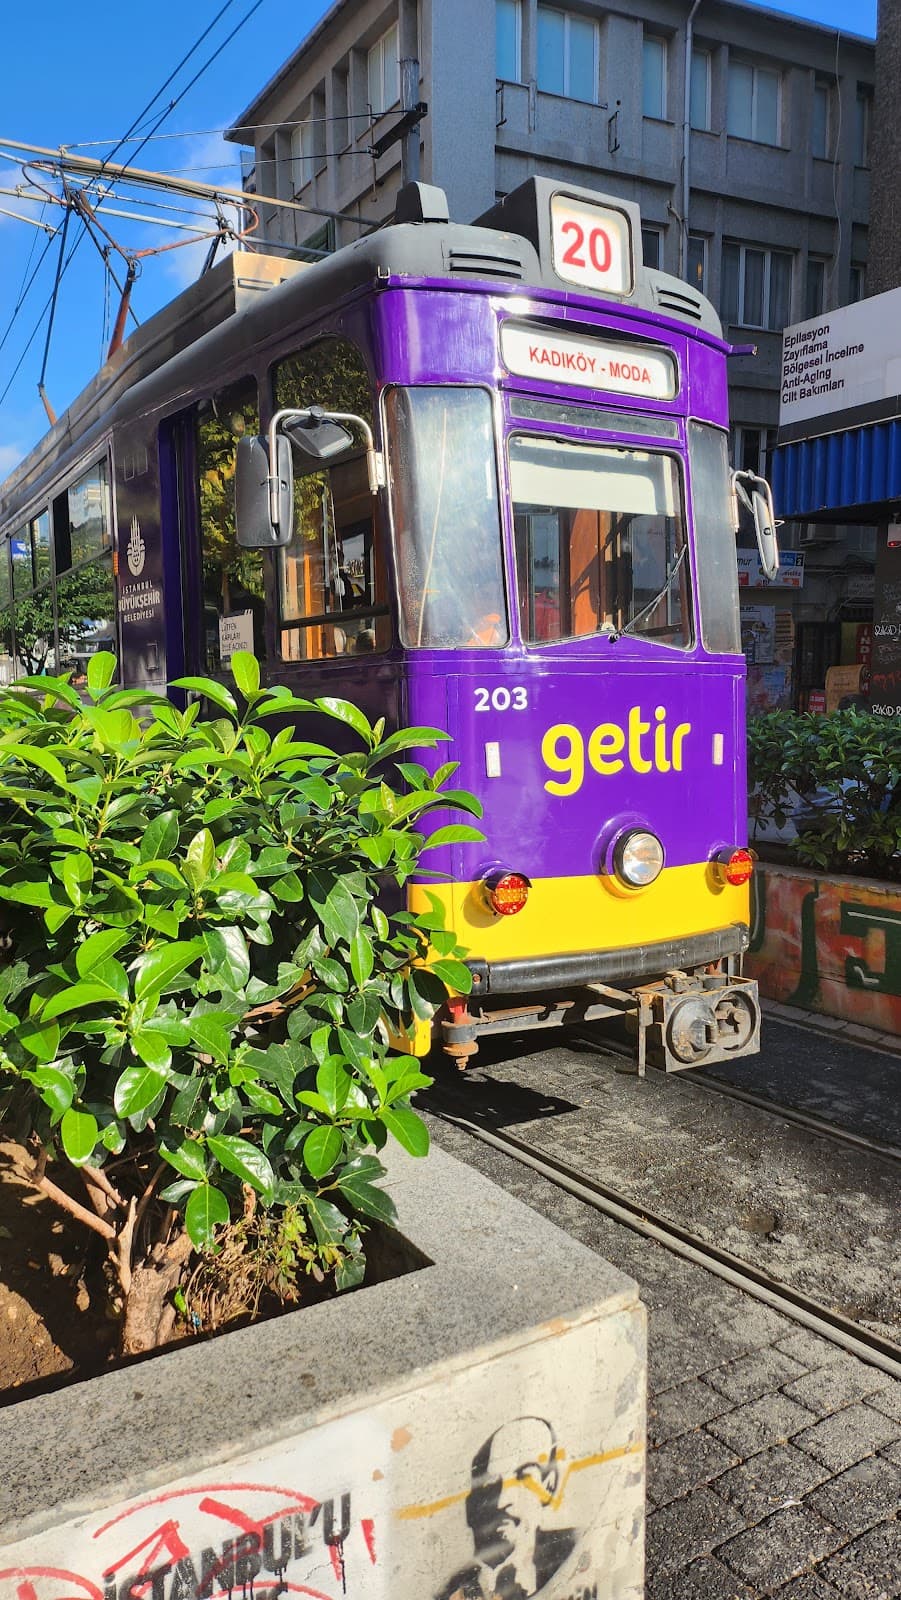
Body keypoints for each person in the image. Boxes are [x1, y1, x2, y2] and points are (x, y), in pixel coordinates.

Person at [436, 1417, 577, 1600]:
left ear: (549, 1484)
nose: (503, 1501)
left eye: (523, 1479)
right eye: (491, 1485)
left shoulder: (575, 1555)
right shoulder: (455, 1590)